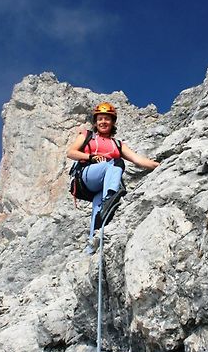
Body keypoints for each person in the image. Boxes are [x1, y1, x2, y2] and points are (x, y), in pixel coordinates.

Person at [67, 102, 159, 253]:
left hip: (102, 185)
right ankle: (110, 197)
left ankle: (91, 248)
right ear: (95, 122)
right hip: (88, 175)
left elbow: (138, 160)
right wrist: (90, 157)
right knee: (116, 162)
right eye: (100, 119)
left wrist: (159, 165)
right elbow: (71, 153)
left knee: (99, 213)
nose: (103, 122)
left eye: (107, 119)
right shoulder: (87, 136)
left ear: (113, 122)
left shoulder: (117, 144)